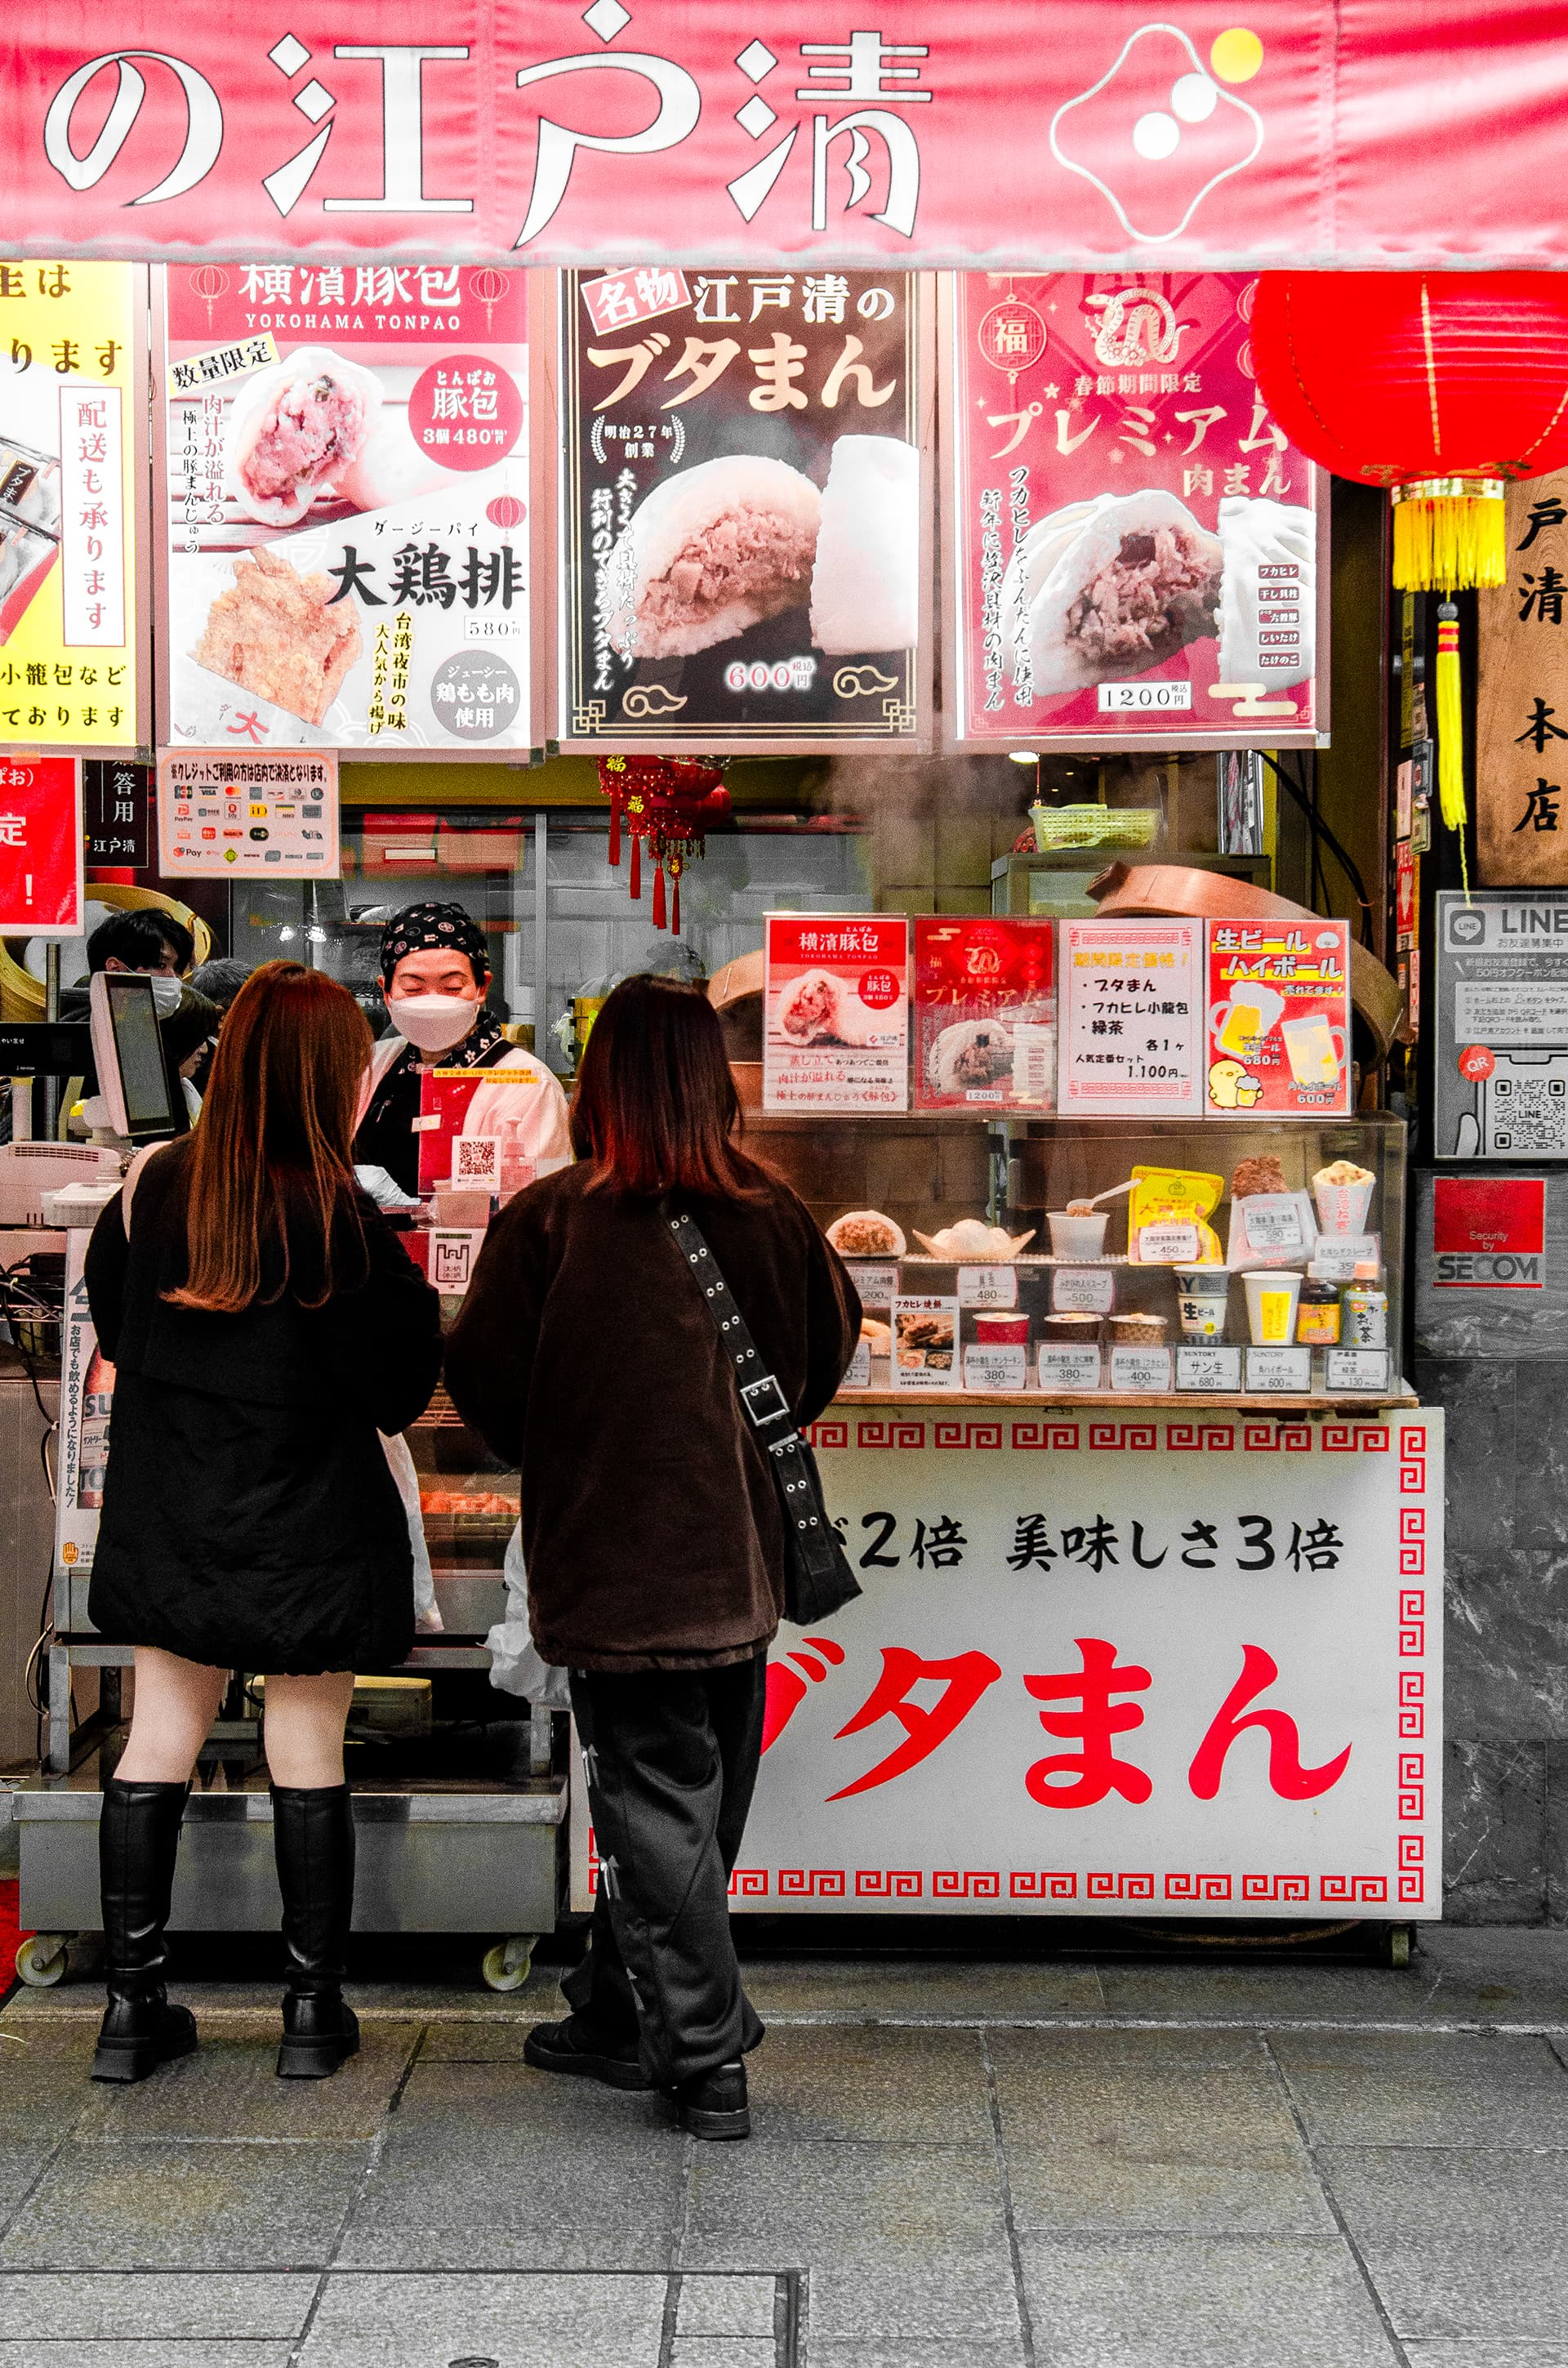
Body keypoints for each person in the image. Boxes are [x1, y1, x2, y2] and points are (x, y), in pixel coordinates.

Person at [446, 974, 859, 2141]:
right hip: (735, 1559)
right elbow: (825, 1351)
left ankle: (707, 2055)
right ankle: (616, 2004)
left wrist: (571, 1437)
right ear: (709, 1083)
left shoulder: (551, 1216)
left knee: (655, 1802)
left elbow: (484, 1384)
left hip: (614, 1561)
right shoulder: (772, 1208)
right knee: (695, 1803)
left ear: (604, 1083)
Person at [82, 961, 443, 2085]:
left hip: (173, 1506)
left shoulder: (150, 1182)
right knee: (305, 1746)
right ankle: (308, 2012)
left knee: (156, 1742)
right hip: (310, 1522)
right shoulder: (336, 1210)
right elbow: (395, 1381)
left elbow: (114, 1320)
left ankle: (133, 2011)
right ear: (330, 1077)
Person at [354, 901, 570, 1199]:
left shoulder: (528, 1085)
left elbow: (539, 1214)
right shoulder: (372, 1065)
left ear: (482, 987)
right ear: (387, 992)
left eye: (452, 987)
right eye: (413, 989)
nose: (432, 1002)